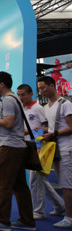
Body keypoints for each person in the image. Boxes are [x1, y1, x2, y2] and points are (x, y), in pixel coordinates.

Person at [0, 72, 35, 230]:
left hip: (10, 147)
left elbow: (9, 123)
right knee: (20, 185)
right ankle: (27, 221)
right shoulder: (14, 99)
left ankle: (2, 220)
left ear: (2, 84)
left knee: (3, 184)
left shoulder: (8, 100)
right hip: (17, 146)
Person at [18, 83, 65, 221]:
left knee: (35, 179)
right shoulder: (22, 108)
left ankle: (39, 211)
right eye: (19, 95)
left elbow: (48, 128)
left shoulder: (38, 108)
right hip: (27, 146)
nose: (21, 97)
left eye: (23, 95)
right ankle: (59, 205)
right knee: (39, 179)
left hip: (39, 147)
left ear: (31, 94)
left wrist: (31, 131)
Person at [39, 75, 72, 229]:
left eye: (43, 88)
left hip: (66, 149)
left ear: (52, 86)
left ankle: (69, 217)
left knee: (67, 184)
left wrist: (54, 133)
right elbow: (50, 127)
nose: (41, 91)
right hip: (53, 149)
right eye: (39, 89)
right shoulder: (46, 107)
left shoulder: (66, 104)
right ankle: (63, 210)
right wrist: (43, 131)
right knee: (62, 182)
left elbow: (71, 127)